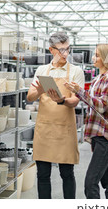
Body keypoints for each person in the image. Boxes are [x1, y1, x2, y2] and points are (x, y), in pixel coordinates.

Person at [59, 44, 108, 199]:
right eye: (95, 54)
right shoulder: (97, 79)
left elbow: (101, 106)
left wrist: (79, 92)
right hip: (98, 135)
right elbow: (92, 102)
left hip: (106, 136)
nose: (94, 58)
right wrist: (74, 92)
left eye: (98, 55)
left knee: (90, 183)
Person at [27, 32, 85, 199]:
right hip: (44, 129)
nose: (65, 54)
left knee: (67, 174)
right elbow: (30, 97)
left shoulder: (76, 71)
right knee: (43, 175)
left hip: (65, 131)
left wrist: (62, 100)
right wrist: (38, 90)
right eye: (60, 50)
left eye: (67, 49)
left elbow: (75, 101)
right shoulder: (42, 70)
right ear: (51, 50)